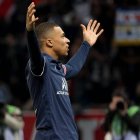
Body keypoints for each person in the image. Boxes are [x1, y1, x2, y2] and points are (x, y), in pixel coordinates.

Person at [25, 2, 104, 140]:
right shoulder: (40, 66)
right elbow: (35, 56)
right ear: (49, 42)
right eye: (62, 36)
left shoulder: (57, 68)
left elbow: (73, 68)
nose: (67, 40)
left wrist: (86, 44)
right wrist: (30, 33)